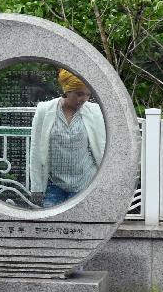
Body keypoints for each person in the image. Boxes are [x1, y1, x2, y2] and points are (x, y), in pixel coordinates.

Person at [29, 69, 106, 207]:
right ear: (67, 90)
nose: (84, 99)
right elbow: (35, 149)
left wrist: (104, 183)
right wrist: (36, 188)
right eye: (79, 94)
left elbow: (102, 146)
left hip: (86, 182)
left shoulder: (94, 111)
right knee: (51, 222)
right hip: (55, 183)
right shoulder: (44, 110)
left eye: (88, 95)